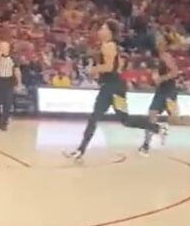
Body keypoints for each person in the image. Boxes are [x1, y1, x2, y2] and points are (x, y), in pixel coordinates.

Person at [64, 20, 161, 161]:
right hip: (113, 85)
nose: (100, 31)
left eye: (103, 28)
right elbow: (118, 66)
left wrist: (93, 69)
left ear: (110, 32)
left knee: (105, 118)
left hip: (113, 86)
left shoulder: (108, 45)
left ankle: (156, 127)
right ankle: (80, 150)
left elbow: (109, 67)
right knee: (119, 120)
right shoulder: (110, 46)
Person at [140, 33, 190, 154]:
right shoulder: (156, 57)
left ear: (164, 44)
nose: (157, 43)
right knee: (152, 115)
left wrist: (161, 78)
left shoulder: (166, 56)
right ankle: (145, 145)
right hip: (161, 92)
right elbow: (156, 73)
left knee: (175, 120)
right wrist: (154, 78)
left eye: (160, 41)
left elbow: (175, 72)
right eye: (157, 41)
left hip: (169, 91)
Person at [0, 40, 21, 131]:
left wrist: (19, 83)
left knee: (7, 102)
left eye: (4, 47)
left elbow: (17, 71)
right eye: (1, 47)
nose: (3, 49)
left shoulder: (13, 58)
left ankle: (4, 121)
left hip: (8, 81)